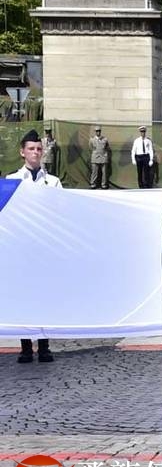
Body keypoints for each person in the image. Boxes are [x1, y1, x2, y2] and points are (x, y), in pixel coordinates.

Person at [6, 129, 61, 363]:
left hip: (44, 247)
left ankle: (44, 345)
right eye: (31, 149)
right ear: (22, 152)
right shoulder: (12, 181)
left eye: (39, 149)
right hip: (22, 247)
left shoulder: (53, 182)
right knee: (23, 296)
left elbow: (61, 212)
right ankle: (26, 346)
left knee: (44, 296)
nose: (36, 152)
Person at [89, 125, 111, 189]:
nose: (98, 132)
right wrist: (95, 152)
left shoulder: (105, 139)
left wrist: (104, 154)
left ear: (100, 131)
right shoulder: (92, 139)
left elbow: (107, 147)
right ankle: (93, 184)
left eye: (99, 131)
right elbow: (90, 147)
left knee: (104, 172)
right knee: (94, 172)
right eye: (97, 131)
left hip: (103, 157)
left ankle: (103, 185)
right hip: (95, 157)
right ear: (95, 132)